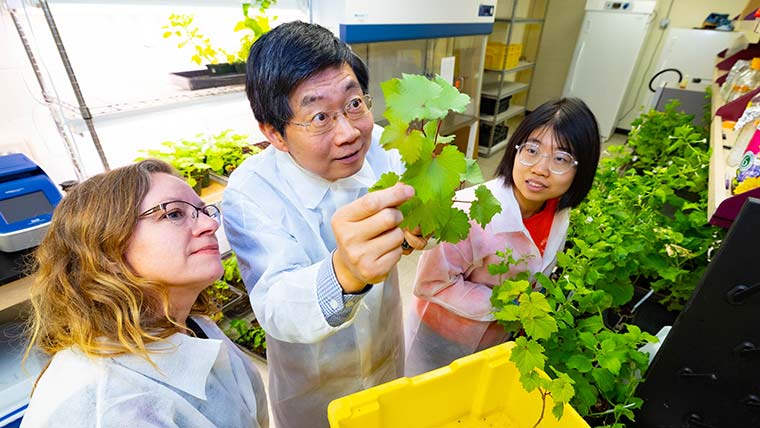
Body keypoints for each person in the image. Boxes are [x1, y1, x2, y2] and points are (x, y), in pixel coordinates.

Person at [222, 21, 425, 428]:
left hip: (386, 359)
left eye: (354, 104)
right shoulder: (250, 192)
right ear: (273, 133)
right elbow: (276, 306)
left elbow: (414, 226)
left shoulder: (384, 149)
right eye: (319, 116)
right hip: (313, 390)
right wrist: (345, 273)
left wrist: (417, 232)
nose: (349, 133)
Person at [21, 159, 268, 428]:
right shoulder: (104, 407)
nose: (210, 225)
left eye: (203, 210)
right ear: (106, 247)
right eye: (174, 214)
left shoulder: (194, 326)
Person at [404, 98, 601, 376]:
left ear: (582, 169)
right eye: (532, 150)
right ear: (515, 149)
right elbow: (431, 284)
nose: (540, 169)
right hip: (441, 335)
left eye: (561, 159)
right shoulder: (470, 210)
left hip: (497, 338)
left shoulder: (557, 212)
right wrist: (508, 305)